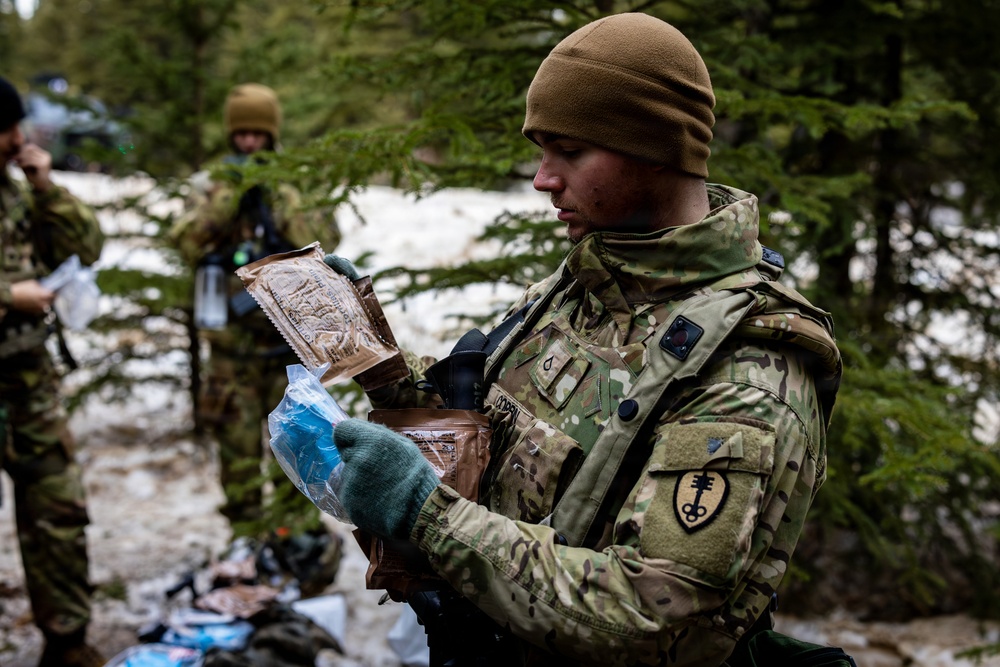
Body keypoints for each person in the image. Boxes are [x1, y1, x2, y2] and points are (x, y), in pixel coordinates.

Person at [316, 13, 843, 666]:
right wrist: (376, 359)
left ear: (656, 147)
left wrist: (428, 515)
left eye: (569, 150)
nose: (542, 178)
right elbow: (495, 430)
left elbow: (655, 617)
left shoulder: (748, 371)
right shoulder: (590, 283)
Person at [169, 83, 343, 532]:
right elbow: (185, 241)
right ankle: (246, 537)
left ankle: (296, 538)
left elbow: (326, 239)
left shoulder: (295, 181)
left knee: (299, 443)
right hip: (231, 348)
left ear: (271, 133)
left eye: (257, 133)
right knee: (239, 453)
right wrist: (231, 197)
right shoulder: (210, 184)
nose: (249, 142)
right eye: (241, 133)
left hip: (287, 344)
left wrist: (280, 196)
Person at [0, 75, 106, 667]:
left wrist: (47, 188)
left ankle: (67, 641)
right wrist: (7, 294)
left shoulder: (17, 191)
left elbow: (87, 247)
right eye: (8, 130)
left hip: (29, 381)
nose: (19, 140)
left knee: (57, 511)